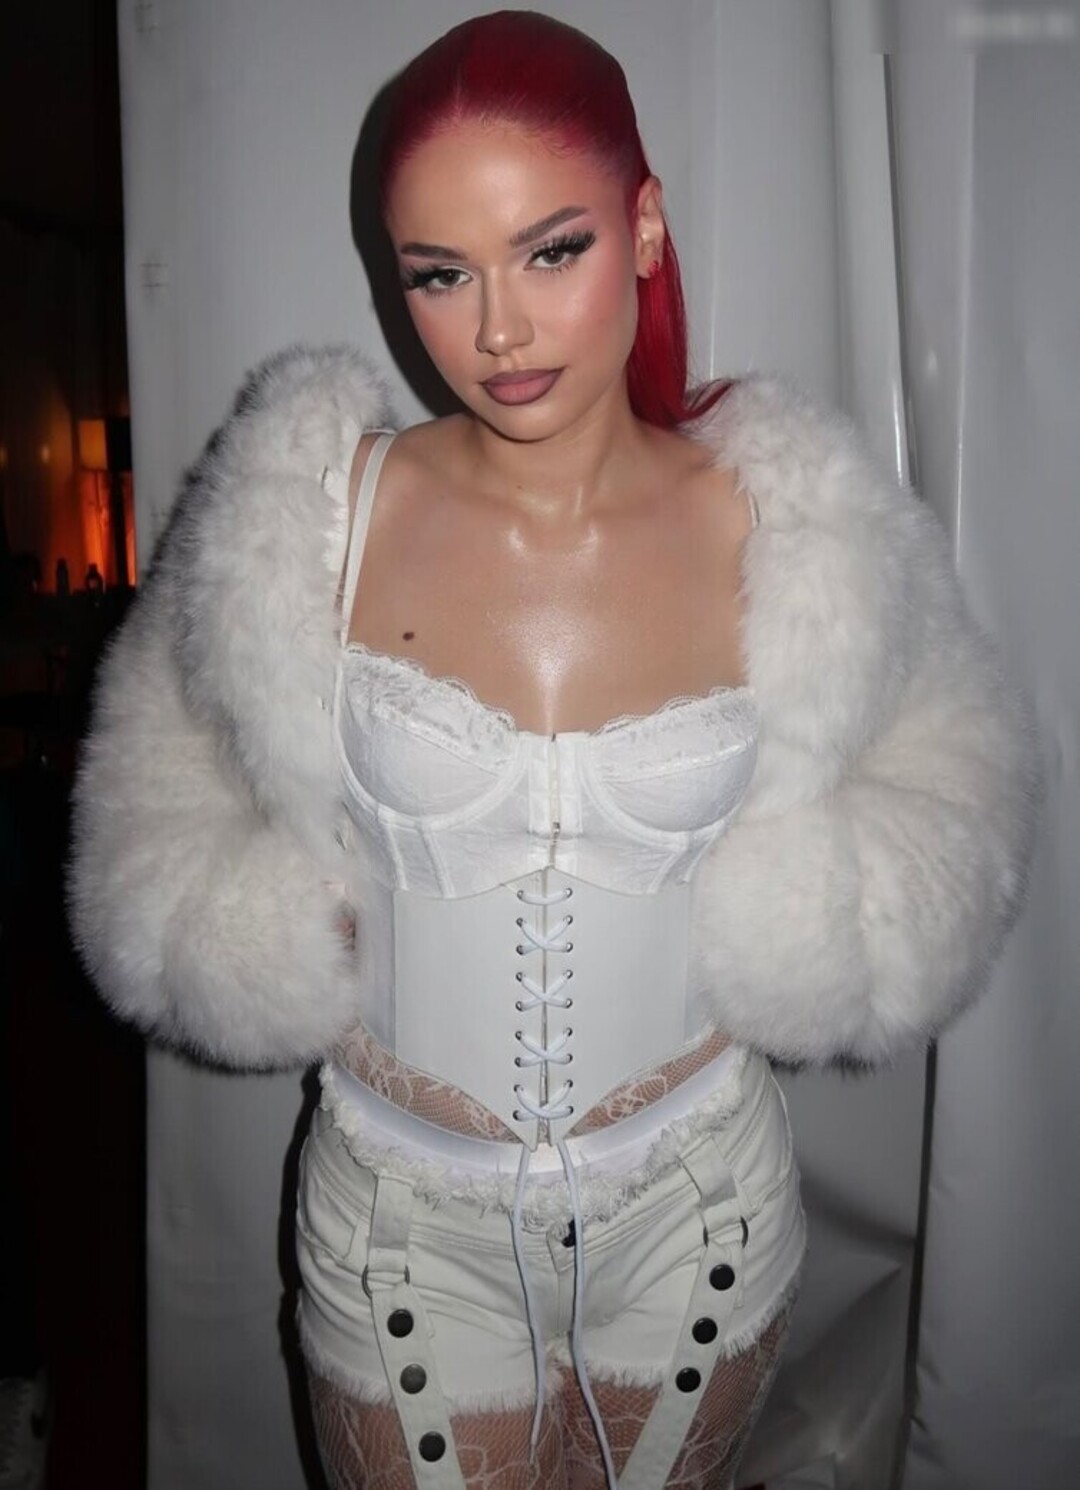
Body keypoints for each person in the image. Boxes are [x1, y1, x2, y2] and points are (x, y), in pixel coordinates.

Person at [67, 11, 1039, 1489]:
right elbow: (153, 800)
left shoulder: (795, 530)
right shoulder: (301, 522)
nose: (499, 332)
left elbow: (953, 780)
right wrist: (257, 918)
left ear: (644, 228)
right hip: (400, 1220)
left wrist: (821, 909)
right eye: (439, 274)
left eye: (550, 250)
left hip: (702, 1210)